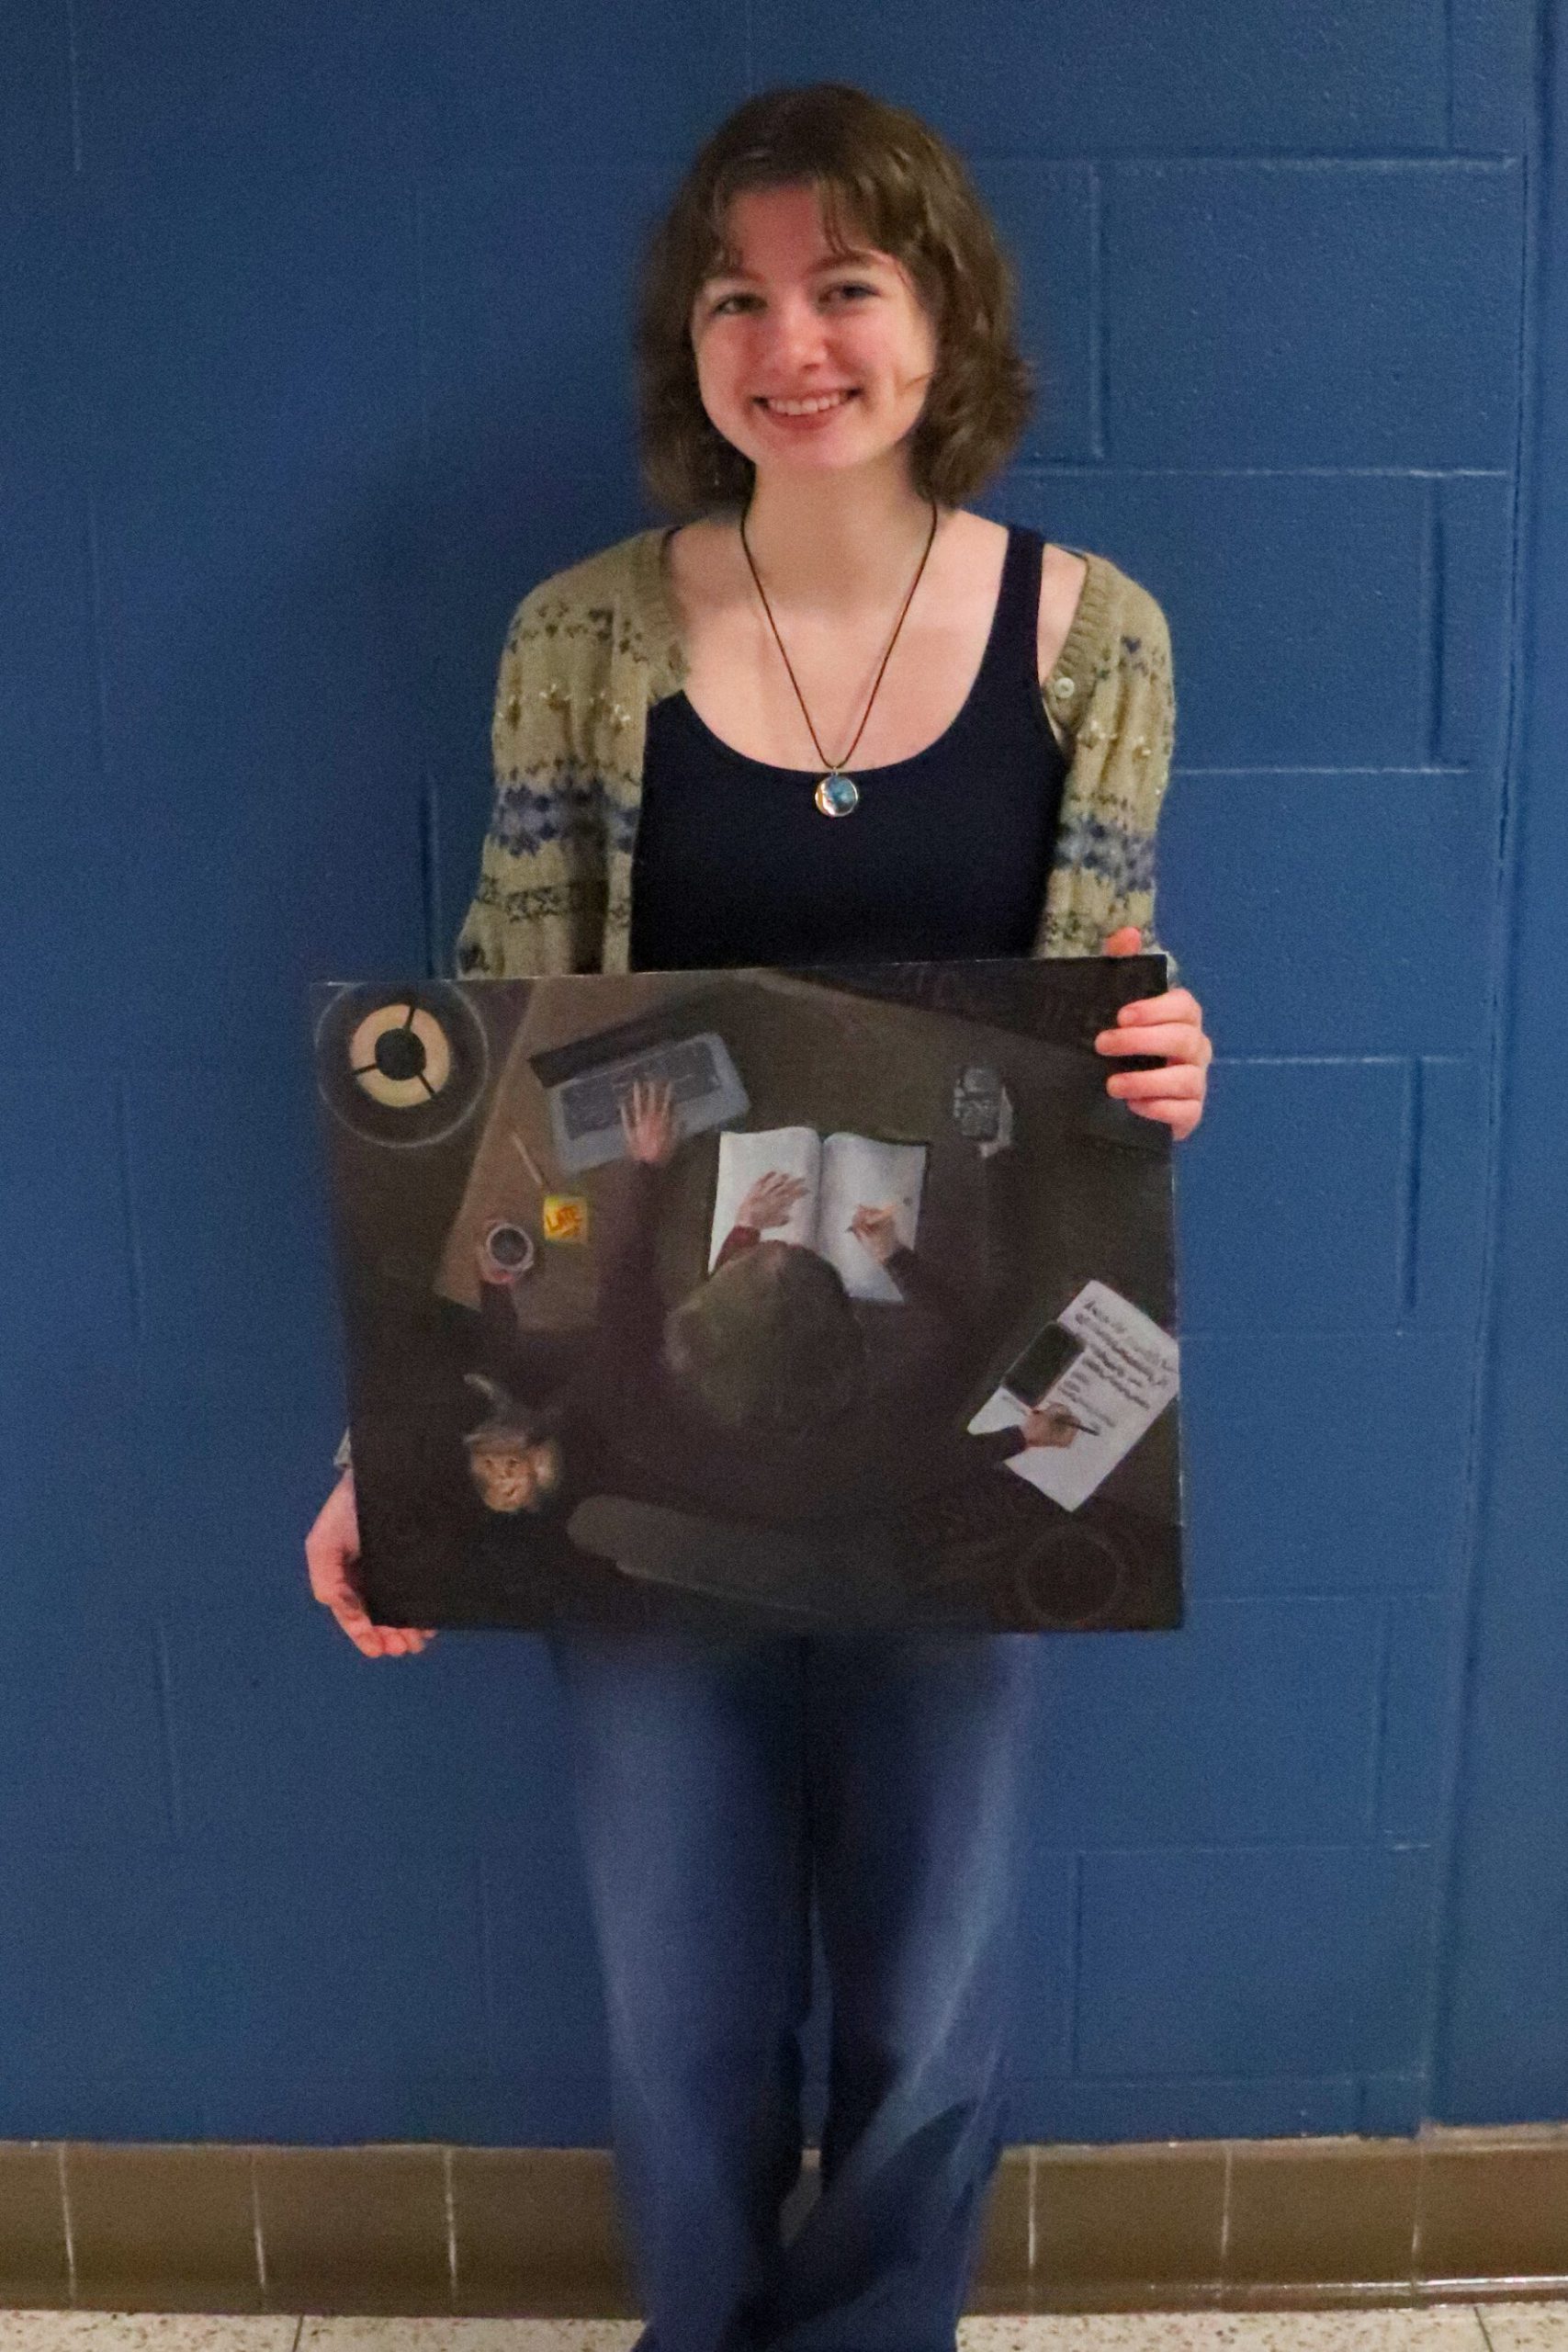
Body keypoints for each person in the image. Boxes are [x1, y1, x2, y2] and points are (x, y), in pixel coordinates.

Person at [305, 81, 1212, 2352]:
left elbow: (1096, 1038)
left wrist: (1167, 1072)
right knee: (678, 1984)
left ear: (943, 318)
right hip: (634, 1427)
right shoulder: (578, 641)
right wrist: (393, 1441)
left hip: (971, 1426)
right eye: (737, 294)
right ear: (684, 340)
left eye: (843, 285)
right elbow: (505, 1070)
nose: (787, 339)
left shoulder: (1089, 644)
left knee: (932, 1978)